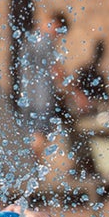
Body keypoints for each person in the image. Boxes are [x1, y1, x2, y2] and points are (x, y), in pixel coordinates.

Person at [19, 11, 72, 161]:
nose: (58, 36)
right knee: (39, 137)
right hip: (42, 100)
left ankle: (28, 172)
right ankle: (34, 173)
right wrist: (75, 92)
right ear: (55, 24)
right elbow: (56, 70)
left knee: (30, 137)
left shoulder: (29, 39)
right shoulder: (45, 42)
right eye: (59, 32)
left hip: (27, 98)